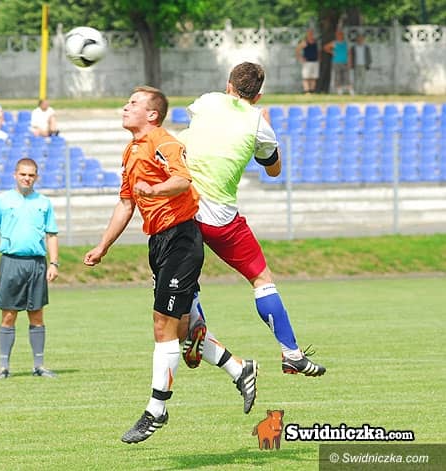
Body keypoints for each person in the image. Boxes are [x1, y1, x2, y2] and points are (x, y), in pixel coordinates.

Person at [84, 86, 258, 445]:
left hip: (182, 239)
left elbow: (182, 179)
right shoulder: (131, 150)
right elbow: (126, 204)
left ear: (152, 114)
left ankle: (156, 410)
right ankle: (240, 369)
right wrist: (103, 245)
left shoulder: (163, 142)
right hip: (159, 244)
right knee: (181, 333)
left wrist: (156, 190)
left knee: (162, 326)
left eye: (133, 103)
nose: (125, 107)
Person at [179, 62, 326, 379]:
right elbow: (273, 170)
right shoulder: (258, 121)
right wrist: (266, 133)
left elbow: (197, 132)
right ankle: (291, 354)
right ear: (258, 96)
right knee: (261, 278)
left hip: (184, 206)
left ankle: (195, 324)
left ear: (228, 85)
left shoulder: (207, 101)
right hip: (219, 216)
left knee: (184, 274)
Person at [0, 158, 59, 381]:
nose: (27, 178)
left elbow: (51, 234)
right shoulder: (2, 201)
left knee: (37, 314)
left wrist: (54, 263)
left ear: (36, 177)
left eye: (31, 175)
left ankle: (39, 365)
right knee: (8, 315)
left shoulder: (44, 203)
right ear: (15, 175)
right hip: (11, 262)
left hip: (37, 263)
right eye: (23, 174)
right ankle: (3, 367)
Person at [323, 30, 353, 95]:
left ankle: (350, 90)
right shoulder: (334, 43)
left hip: (345, 62)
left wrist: (350, 62)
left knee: (347, 77)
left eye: (341, 35)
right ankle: (339, 91)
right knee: (338, 77)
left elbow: (349, 53)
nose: (340, 36)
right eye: (338, 35)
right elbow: (325, 47)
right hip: (336, 62)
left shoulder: (346, 43)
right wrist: (331, 52)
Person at [295, 28, 320, 94]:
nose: (311, 34)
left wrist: (319, 58)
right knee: (306, 77)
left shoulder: (315, 42)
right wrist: (300, 58)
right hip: (307, 62)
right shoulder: (305, 42)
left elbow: (318, 51)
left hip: (315, 61)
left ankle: (312, 91)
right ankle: (306, 91)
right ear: (307, 34)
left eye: (311, 33)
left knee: (313, 77)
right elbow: (297, 50)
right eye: (309, 33)